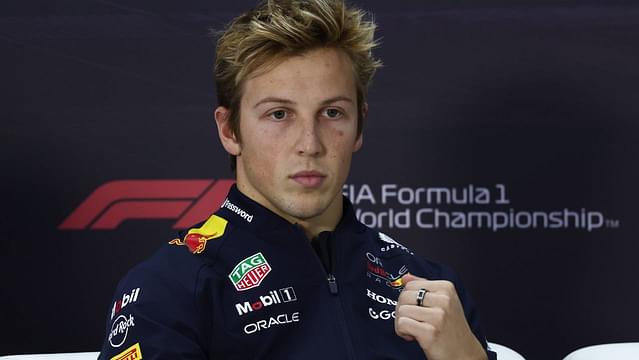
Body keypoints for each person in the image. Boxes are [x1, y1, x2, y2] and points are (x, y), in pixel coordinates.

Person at [99, 0, 496, 359]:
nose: (309, 144)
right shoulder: (170, 289)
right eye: (278, 114)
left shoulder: (433, 288)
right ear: (230, 131)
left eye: (332, 113)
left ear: (359, 126)